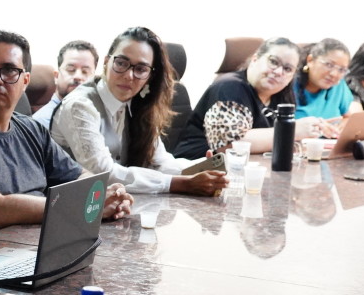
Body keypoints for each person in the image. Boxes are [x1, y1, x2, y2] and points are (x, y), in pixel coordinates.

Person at [0, 29, 132, 250]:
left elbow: (81, 177)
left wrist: (106, 197)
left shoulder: (31, 128)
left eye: (9, 70)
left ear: (25, 80)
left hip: (33, 247)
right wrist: (80, 207)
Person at [50, 27, 227, 196]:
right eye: (121, 63)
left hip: (118, 203)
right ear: (106, 62)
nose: (129, 75)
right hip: (70, 205)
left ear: (149, 76)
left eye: (140, 69)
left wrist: (201, 168)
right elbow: (103, 173)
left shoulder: (138, 103)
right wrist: (181, 183)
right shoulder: (80, 105)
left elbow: (160, 162)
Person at [174, 37, 334, 159]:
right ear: (255, 59)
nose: (279, 72)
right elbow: (228, 144)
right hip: (197, 171)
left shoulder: (282, 96)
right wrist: (292, 131)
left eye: (287, 69)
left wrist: (311, 130)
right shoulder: (229, 86)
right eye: (273, 62)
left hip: (250, 171)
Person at [32, 40, 99, 128]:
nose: (78, 76)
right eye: (71, 70)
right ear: (56, 76)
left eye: (85, 71)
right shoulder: (40, 124)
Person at [294, 38, 356, 123]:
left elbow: (347, 117)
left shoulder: (338, 86)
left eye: (341, 70)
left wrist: (339, 128)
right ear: (310, 60)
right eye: (329, 65)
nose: (334, 74)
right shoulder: (288, 86)